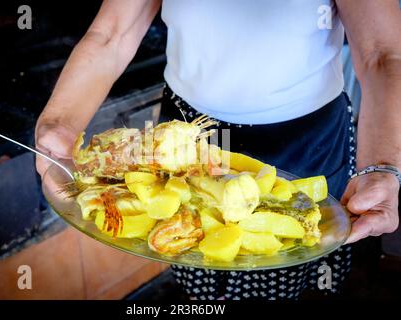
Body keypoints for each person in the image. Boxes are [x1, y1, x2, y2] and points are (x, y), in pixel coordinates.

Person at [35, 0, 401, 300]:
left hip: (301, 140)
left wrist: (382, 166)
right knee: (193, 252)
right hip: (183, 139)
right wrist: (60, 124)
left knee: (287, 267)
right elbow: (111, 35)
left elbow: (384, 53)